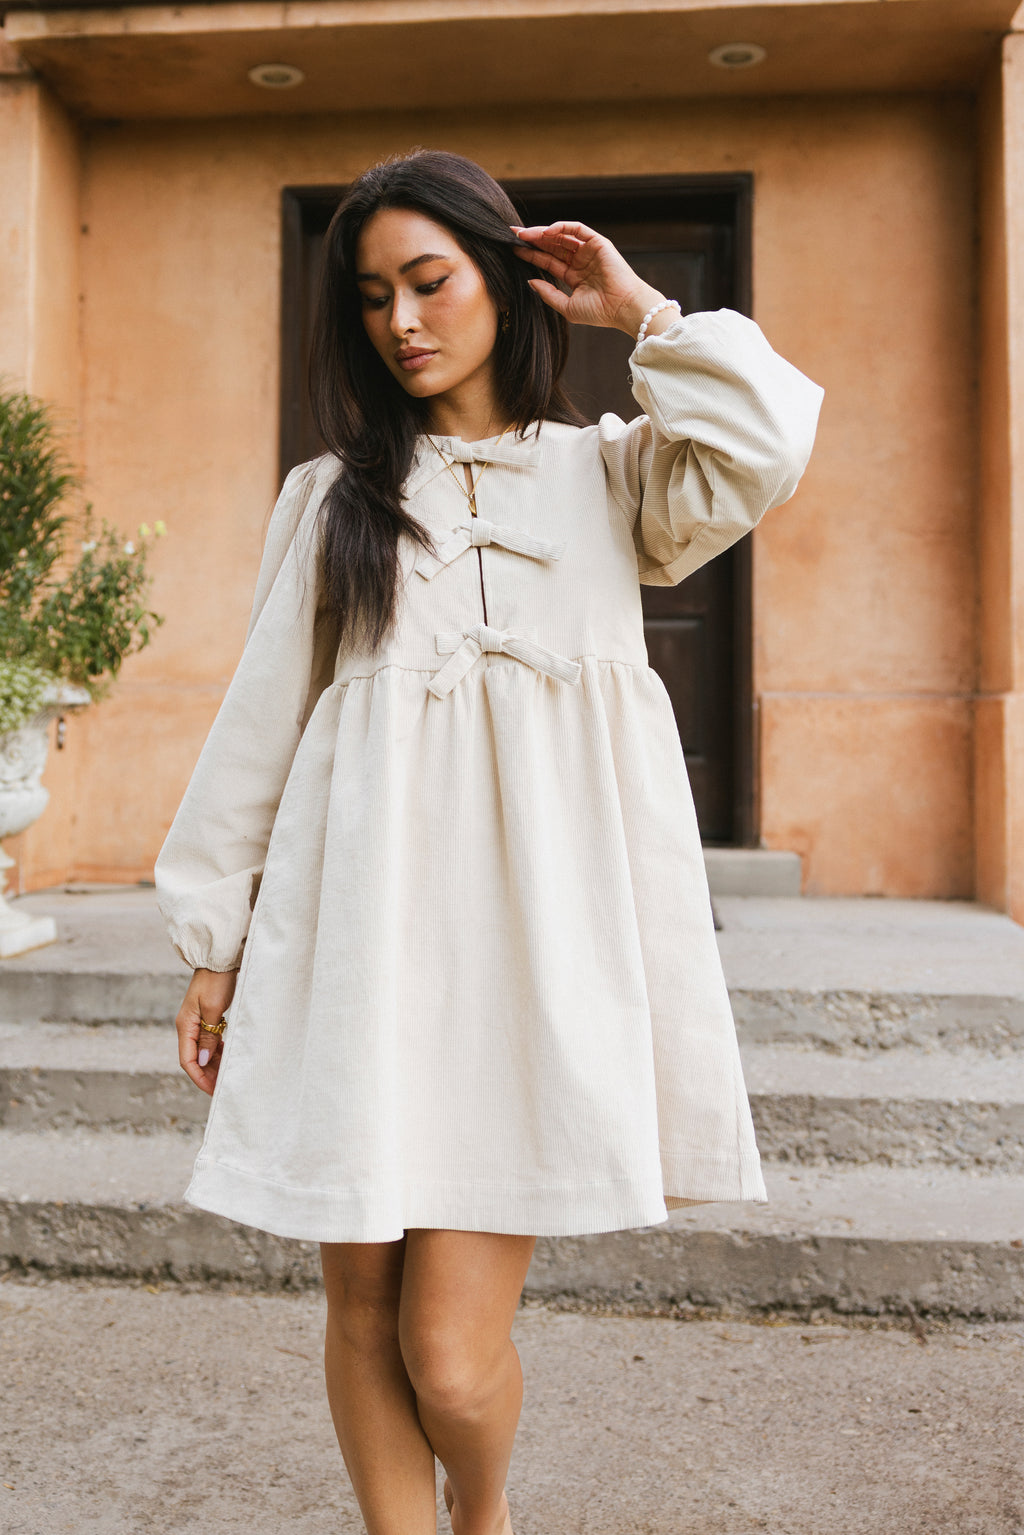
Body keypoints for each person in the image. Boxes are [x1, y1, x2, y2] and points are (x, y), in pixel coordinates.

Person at [154, 148, 824, 1535]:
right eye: (372, 297)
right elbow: (259, 726)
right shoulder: (331, 498)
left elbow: (768, 440)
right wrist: (215, 942)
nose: (401, 321)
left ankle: (487, 1512)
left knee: (450, 1353)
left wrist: (641, 312)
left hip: (532, 954)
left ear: (503, 281)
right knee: (360, 1302)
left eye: (430, 282)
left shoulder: (619, 478)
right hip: (359, 934)